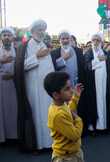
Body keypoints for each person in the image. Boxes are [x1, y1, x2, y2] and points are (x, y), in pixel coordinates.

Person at [14, 19, 56, 153]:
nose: (42, 32)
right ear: (32, 31)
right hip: (32, 88)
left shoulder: (47, 44)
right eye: (39, 29)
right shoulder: (24, 47)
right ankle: (36, 145)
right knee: (35, 115)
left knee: (48, 114)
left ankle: (50, 143)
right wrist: (36, 57)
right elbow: (20, 67)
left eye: (43, 29)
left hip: (47, 89)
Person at [79, 32, 110, 136]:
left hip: (105, 85)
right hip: (93, 86)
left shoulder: (106, 53)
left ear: (101, 42)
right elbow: (86, 67)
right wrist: (97, 60)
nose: (96, 42)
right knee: (93, 105)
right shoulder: (88, 54)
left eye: (98, 40)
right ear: (91, 42)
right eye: (94, 40)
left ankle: (106, 126)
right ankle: (93, 127)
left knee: (106, 104)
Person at [44, 71, 84, 162]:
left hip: (73, 152)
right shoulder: (58, 114)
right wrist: (78, 119)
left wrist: (76, 96)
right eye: (67, 89)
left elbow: (69, 110)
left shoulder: (61, 105)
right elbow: (75, 135)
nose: (71, 91)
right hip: (66, 158)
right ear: (56, 95)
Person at [0, 27, 18, 145]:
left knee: (14, 110)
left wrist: (14, 74)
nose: (7, 37)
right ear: (1, 37)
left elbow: (23, 67)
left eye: (9, 35)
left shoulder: (17, 50)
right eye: (4, 35)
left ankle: (15, 136)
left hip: (13, 85)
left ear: (12, 38)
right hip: (0, 87)